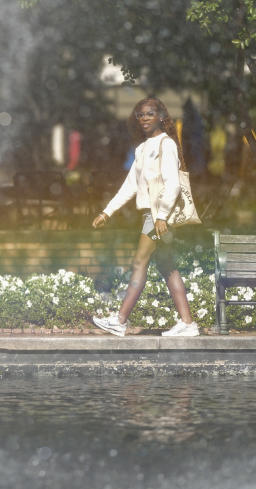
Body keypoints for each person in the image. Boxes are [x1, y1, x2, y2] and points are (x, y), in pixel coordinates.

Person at [91, 97, 199, 337]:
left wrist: (161, 216)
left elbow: (173, 185)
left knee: (139, 262)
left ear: (161, 116)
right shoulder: (141, 148)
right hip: (151, 216)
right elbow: (129, 186)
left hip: (160, 217)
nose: (144, 119)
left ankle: (120, 320)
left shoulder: (166, 144)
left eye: (150, 114)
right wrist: (107, 211)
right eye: (140, 115)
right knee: (167, 267)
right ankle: (188, 323)